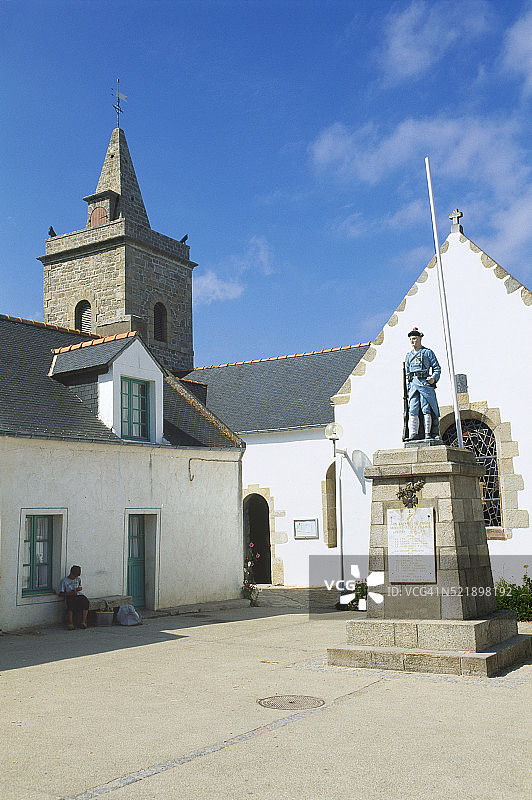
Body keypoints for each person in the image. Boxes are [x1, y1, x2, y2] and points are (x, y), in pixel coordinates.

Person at [404, 327, 441, 441]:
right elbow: (407, 373)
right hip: (413, 385)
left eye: (414, 338)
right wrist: (408, 387)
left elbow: (437, 368)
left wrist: (433, 379)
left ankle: (428, 433)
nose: (412, 341)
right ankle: (413, 433)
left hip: (425, 383)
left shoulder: (427, 353)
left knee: (426, 408)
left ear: (420, 339)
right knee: (413, 409)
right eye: (411, 339)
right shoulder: (408, 355)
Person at [58, 565, 89, 630]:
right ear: (71, 573)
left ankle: (83, 622)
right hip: (69, 595)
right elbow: (61, 593)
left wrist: (78, 589)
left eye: (76, 576)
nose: (75, 577)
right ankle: (70, 623)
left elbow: (80, 587)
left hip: (78, 594)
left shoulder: (78, 579)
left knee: (85, 601)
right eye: (74, 576)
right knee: (70, 605)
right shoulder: (64, 581)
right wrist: (70, 593)